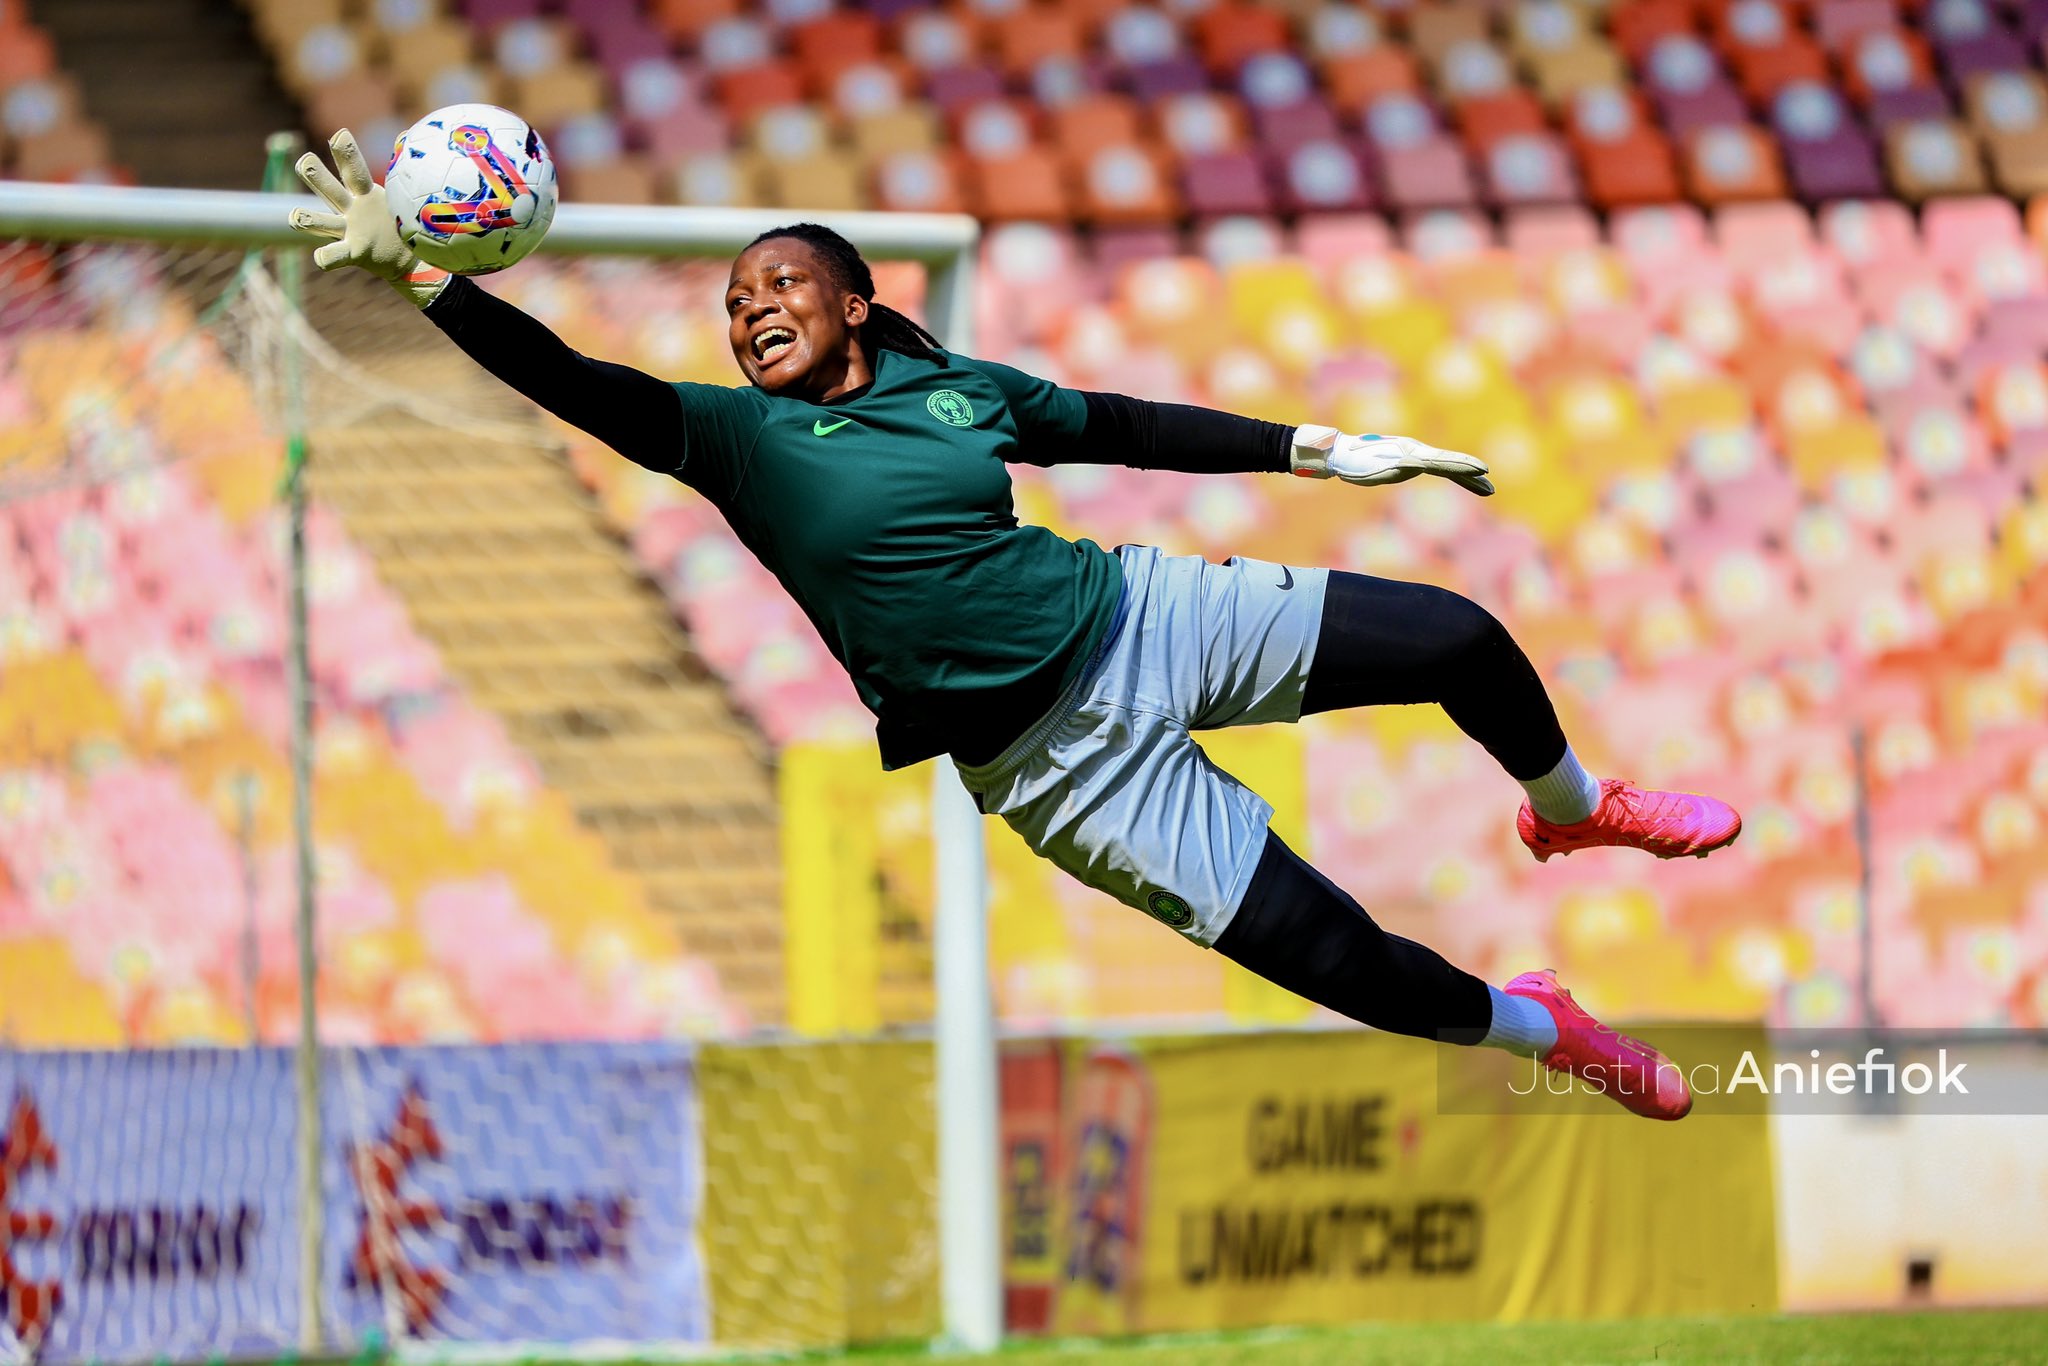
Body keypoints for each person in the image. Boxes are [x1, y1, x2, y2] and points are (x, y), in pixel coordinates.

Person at [291, 130, 1740, 1121]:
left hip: (1143, 616)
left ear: (858, 300)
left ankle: (1574, 807)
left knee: (1457, 637)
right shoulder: (735, 441)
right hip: (1062, 772)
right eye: (734, 304)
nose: (750, 314)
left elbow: (1126, 424)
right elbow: (567, 373)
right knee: (1356, 968)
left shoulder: (956, 389)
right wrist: (427, 278)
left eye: (780, 284)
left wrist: (1323, 446)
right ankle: (1553, 1029)